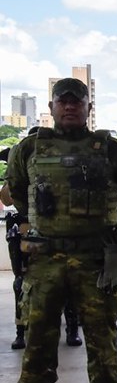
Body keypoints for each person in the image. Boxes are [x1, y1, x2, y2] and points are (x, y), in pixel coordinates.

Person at [5, 77, 117, 383]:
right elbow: (19, 193)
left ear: (87, 108)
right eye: (62, 101)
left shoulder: (112, 150)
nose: (69, 107)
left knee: (102, 340)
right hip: (45, 258)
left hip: (95, 258)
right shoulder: (29, 148)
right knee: (38, 342)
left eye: (76, 102)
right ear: (51, 107)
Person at [2, 141, 82, 350]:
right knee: (22, 283)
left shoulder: (60, 172)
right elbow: (8, 199)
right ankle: (21, 330)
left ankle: (72, 329)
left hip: (59, 232)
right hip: (27, 232)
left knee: (69, 282)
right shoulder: (21, 171)